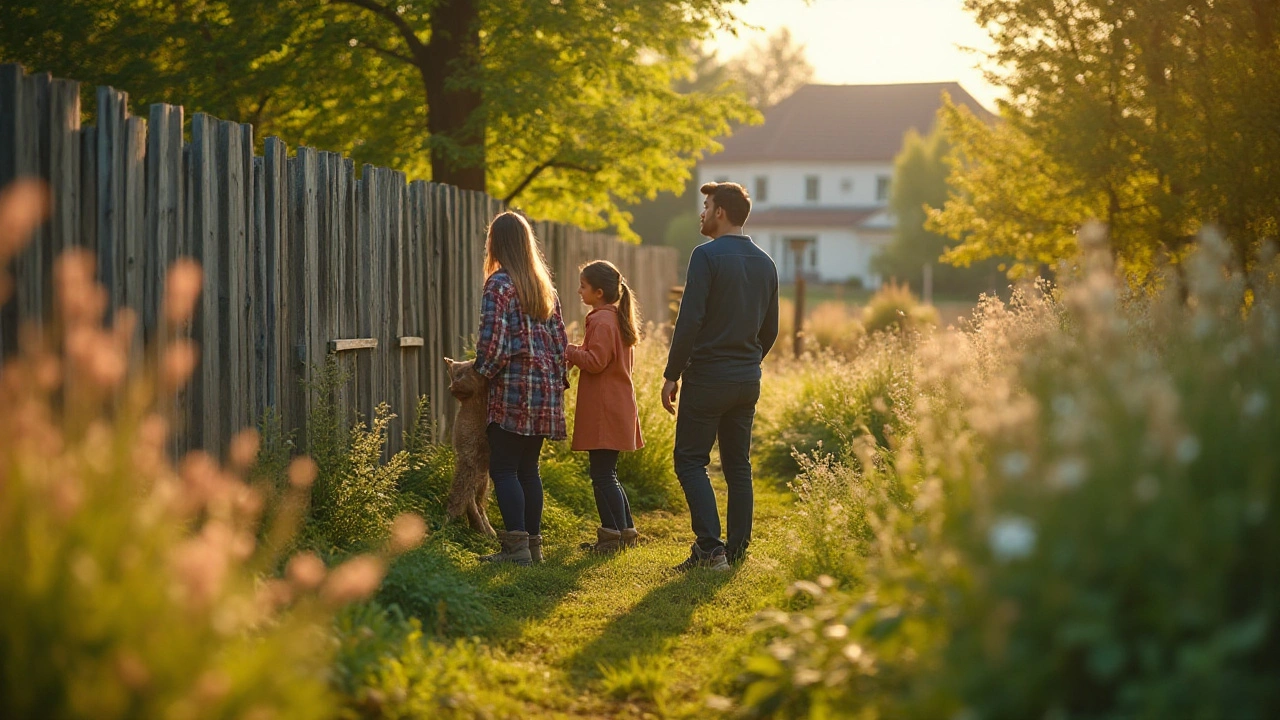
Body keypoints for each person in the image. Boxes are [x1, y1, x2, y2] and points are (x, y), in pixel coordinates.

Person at [662, 181, 779, 572]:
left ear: (721, 213)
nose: (702, 212)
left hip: (709, 377)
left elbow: (689, 320)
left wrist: (672, 373)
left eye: (707, 205)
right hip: (747, 379)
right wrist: (748, 361)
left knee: (690, 460)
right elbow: (772, 329)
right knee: (738, 465)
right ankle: (736, 551)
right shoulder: (767, 262)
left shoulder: (705, 256)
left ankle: (710, 551)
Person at [472, 211, 568, 566]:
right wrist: (558, 383)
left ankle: (515, 551)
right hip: (544, 389)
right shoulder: (544, 287)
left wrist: (482, 373)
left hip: (513, 388)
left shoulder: (498, 284)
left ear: (496, 243)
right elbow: (560, 342)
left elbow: (493, 343)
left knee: (504, 469)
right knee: (529, 469)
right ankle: (533, 547)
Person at [566, 260, 644, 554]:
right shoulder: (615, 320)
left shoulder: (601, 321)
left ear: (598, 292)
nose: (579, 291)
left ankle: (611, 538)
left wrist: (568, 350)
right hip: (615, 406)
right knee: (608, 473)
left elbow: (596, 362)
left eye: (583, 286)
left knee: (601, 475)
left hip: (604, 410)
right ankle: (625, 532)